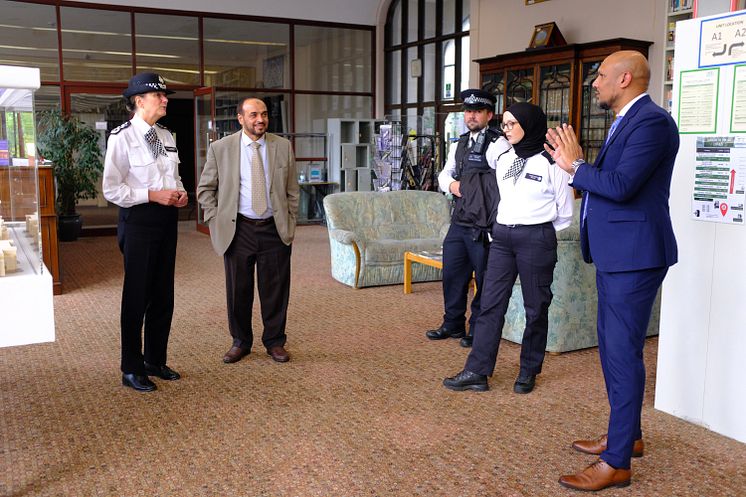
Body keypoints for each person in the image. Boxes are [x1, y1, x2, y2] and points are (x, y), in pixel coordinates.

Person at [544, 50, 679, 491]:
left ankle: (617, 461)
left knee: (622, 353)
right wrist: (580, 164)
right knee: (615, 350)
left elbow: (620, 187)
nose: (593, 83)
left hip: (635, 255)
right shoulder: (627, 120)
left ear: (625, 79)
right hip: (617, 253)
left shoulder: (653, 122)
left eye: (600, 76)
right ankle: (629, 436)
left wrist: (576, 166)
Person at [443, 102, 574, 394]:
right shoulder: (502, 158)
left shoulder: (553, 162)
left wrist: (536, 232)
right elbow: (502, 200)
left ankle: (528, 370)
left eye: (513, 124)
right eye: (505, 124)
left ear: (529, 124)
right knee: (490, 304)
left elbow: (565, 213)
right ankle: (477, 370)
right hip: (501, 239)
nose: (507, 130)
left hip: (536, 239)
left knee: (535, 308)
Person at [102, 72, 188, 392]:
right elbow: (112, 188)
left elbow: (172, 176)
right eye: (159, 96)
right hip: (138, 220)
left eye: (165, 95)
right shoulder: (121, 137)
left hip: (167, 220)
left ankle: (155, 359)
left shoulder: (165, 135)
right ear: (139, 101)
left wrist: (181, 193)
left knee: (163, 294)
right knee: (137, 295)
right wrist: (152, 195)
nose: (165, 100)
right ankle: (131, 367)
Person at [197, 97, 299, 365]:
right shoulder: (221, 148)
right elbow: (205, 189)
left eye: (264, 114)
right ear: (240, 118)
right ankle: (240, 342)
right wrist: (215, 219)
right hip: (238, 228)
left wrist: (290, 220)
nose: (260, 120)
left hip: (273, 229)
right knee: (238, 290)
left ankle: (275, 342)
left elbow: (291, 191)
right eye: (253, 115)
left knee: (275, 290)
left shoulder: (282, 146)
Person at [425, 89, 509, 348]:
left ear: (489, 115)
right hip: (459, 221)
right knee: (453, 274)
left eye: (477, 111)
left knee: (483, 279)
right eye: (468, 111)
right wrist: (452, 186)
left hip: (483, 225)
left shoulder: (499, 143)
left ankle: (477, 330)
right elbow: (444, 175)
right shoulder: (459, 143)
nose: (471, 116)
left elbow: (504, 183)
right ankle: (452, 323)